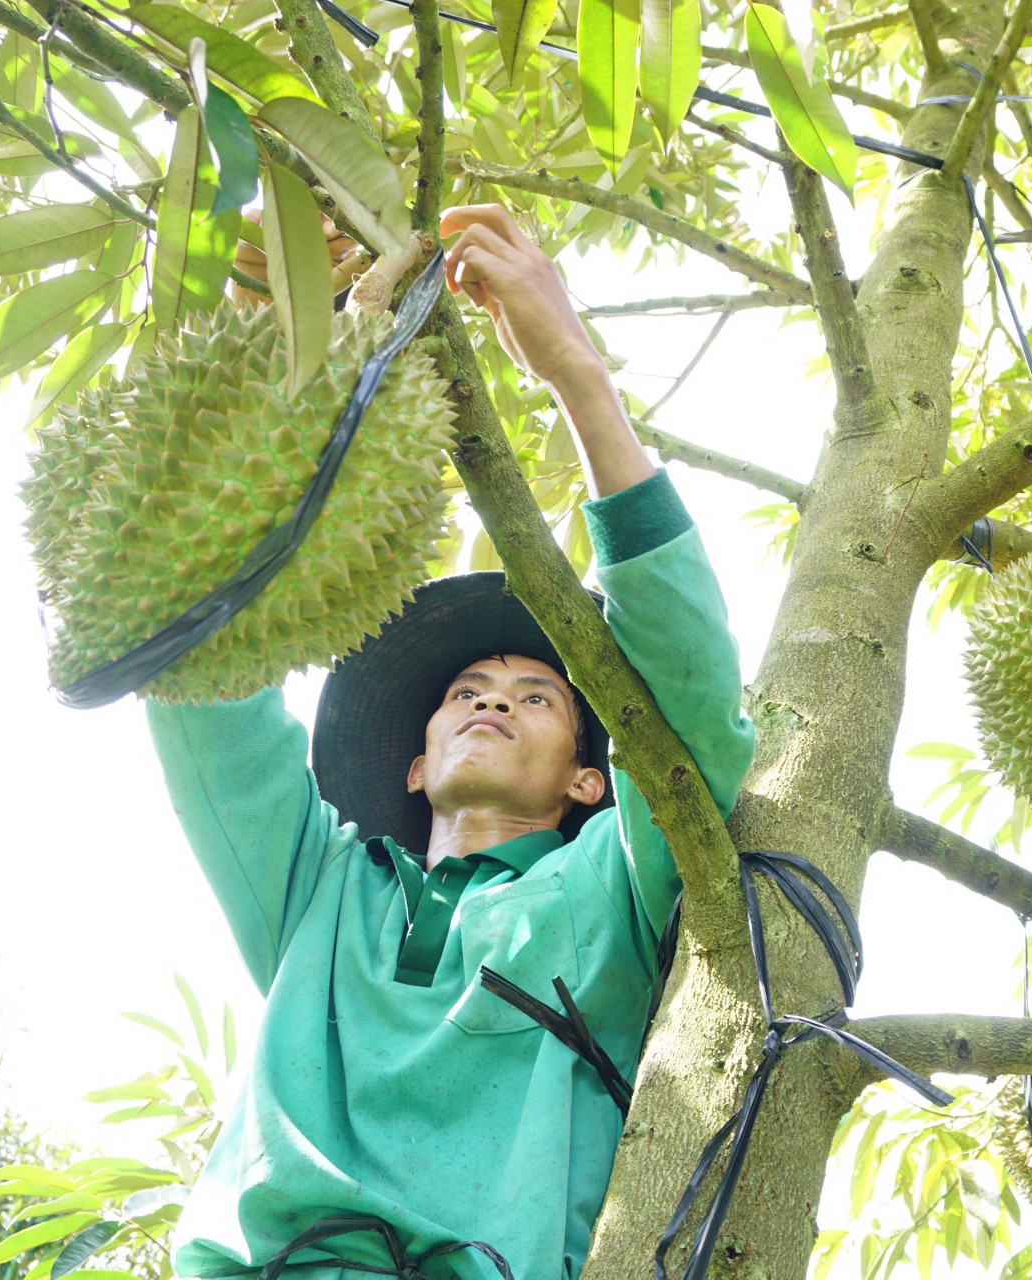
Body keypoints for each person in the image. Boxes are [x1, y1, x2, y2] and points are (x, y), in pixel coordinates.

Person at [145, 204, 754, 1280]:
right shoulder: (318, 889)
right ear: (417, 762)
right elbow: (205, 688)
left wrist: (575, 371)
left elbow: (692, 706)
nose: (493, 700)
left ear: (586, 778)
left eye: (536, 696)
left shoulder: (606, 885)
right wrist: (260, 346)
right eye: (467, 688)